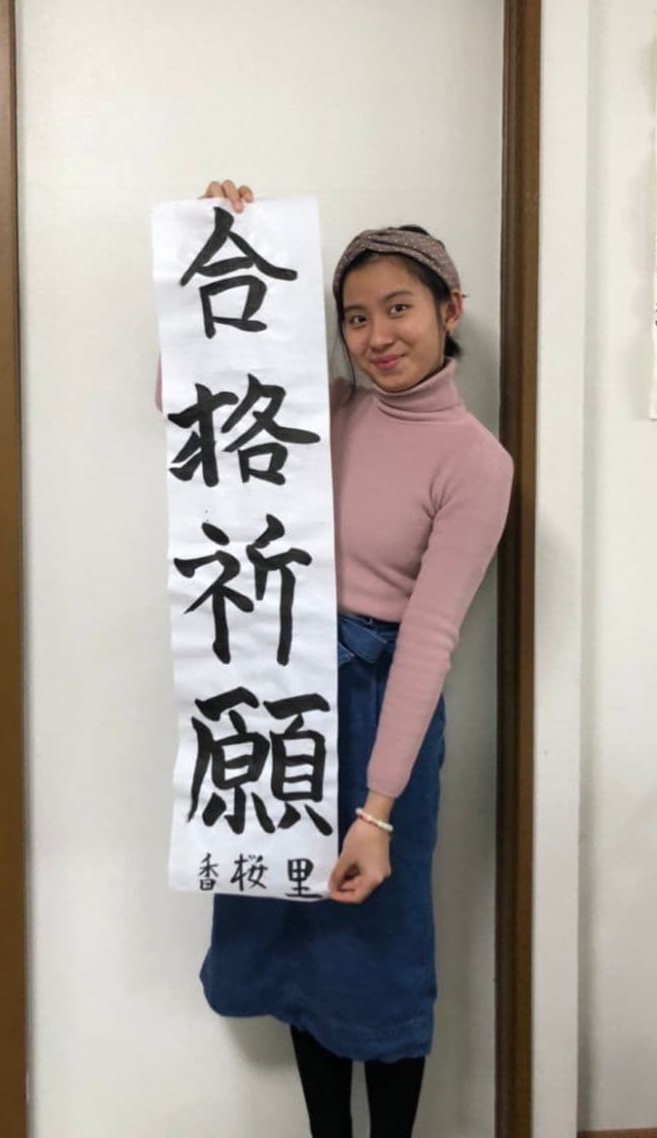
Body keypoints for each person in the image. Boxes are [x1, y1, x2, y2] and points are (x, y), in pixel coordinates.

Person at [185, 180, 514, 1137]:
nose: (377, 336)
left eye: (399, 308)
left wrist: (376, 810)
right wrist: (220, 245)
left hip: (379, 710)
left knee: (377, 949)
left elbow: (432, 638)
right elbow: (182, 398)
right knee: (299, 937)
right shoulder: (317, 408)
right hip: (278, 692)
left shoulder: (475, 459)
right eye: (356, 317)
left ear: (449, 311)